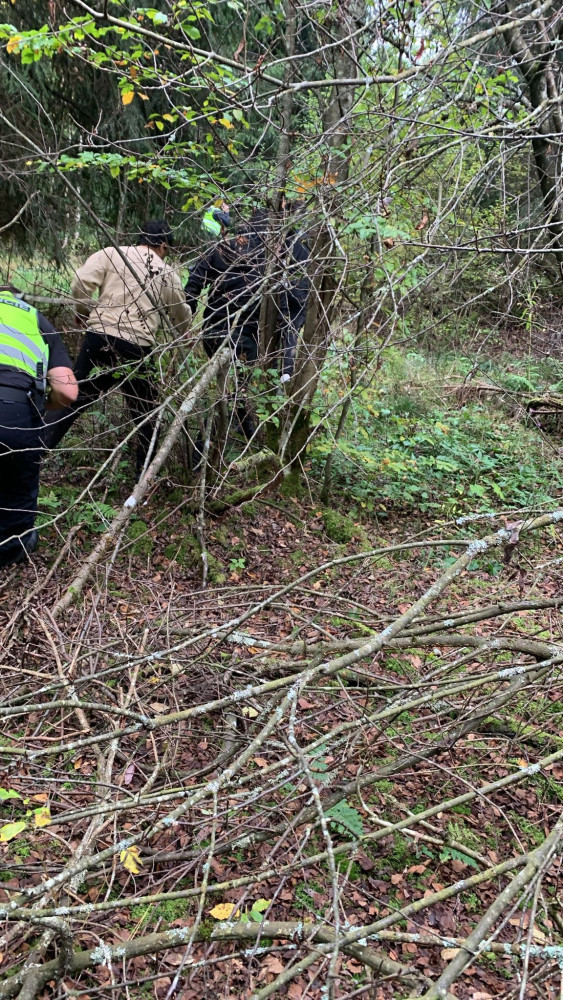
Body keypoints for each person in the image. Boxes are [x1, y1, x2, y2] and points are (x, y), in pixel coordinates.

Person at [45, 221, 192, 477]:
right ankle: (142, 476)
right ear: (163, 244)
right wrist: (186, 332)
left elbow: (80, 281)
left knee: (74, 398)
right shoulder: (166, 272)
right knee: (145, 413)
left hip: (99, 337)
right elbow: (180, 313)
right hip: (137, 347)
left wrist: (84, 311)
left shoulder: (112, 253)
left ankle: (35, 451)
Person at [184, 208, 309, 438]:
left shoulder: (225, 245)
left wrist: (182, 324)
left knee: (228, 387)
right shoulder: (276, 256)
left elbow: (193, 285)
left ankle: (239, 430)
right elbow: (292, 301)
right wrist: (286, 351)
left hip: (215, 330)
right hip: (247, 337)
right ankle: (212, 443)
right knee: (238, 388)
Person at [0, 285, 78, 568]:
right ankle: (13, 546)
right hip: (16, 411)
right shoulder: (35, 318)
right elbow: (68, 392)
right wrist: (38, 407)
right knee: (16, 517)